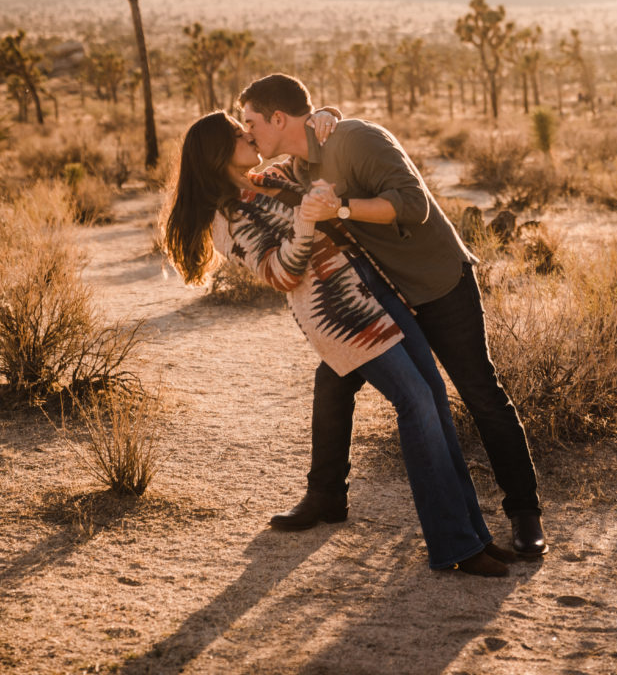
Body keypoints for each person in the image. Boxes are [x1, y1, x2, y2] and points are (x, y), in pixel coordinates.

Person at [163, 109, 518, 576]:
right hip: (342, 316)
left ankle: (475, 536)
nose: (248, 134)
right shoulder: (225, 220)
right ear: (214, 152)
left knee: (433, 398)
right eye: (236, 133)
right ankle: (453, 544)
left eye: (246, 126)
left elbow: (309, 155)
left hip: (377, 289)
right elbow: (281, 273)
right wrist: (307, 222)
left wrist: (325, 116)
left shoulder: (270, 177)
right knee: (415, 404)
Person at [238, 74, 547, 557]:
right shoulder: (297, 164)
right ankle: (325, 496)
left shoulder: (358, 140)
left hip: (436, 283)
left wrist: (339, 207)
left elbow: (413, 205)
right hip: (380, 296)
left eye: (251, 121)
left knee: (480, 392)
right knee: (334, 379)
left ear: (278, 118)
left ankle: (525, 512)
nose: (248, 130)